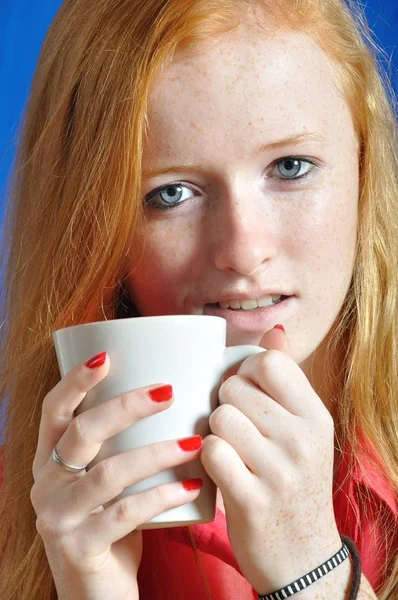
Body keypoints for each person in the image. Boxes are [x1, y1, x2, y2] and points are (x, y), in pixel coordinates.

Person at [0, 0, 397, 598]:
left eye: (291, 167)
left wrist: (312, 568)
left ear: (365, 173)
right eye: (171, 194)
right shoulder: (25, 512)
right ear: (93, 228)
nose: (242, 250)